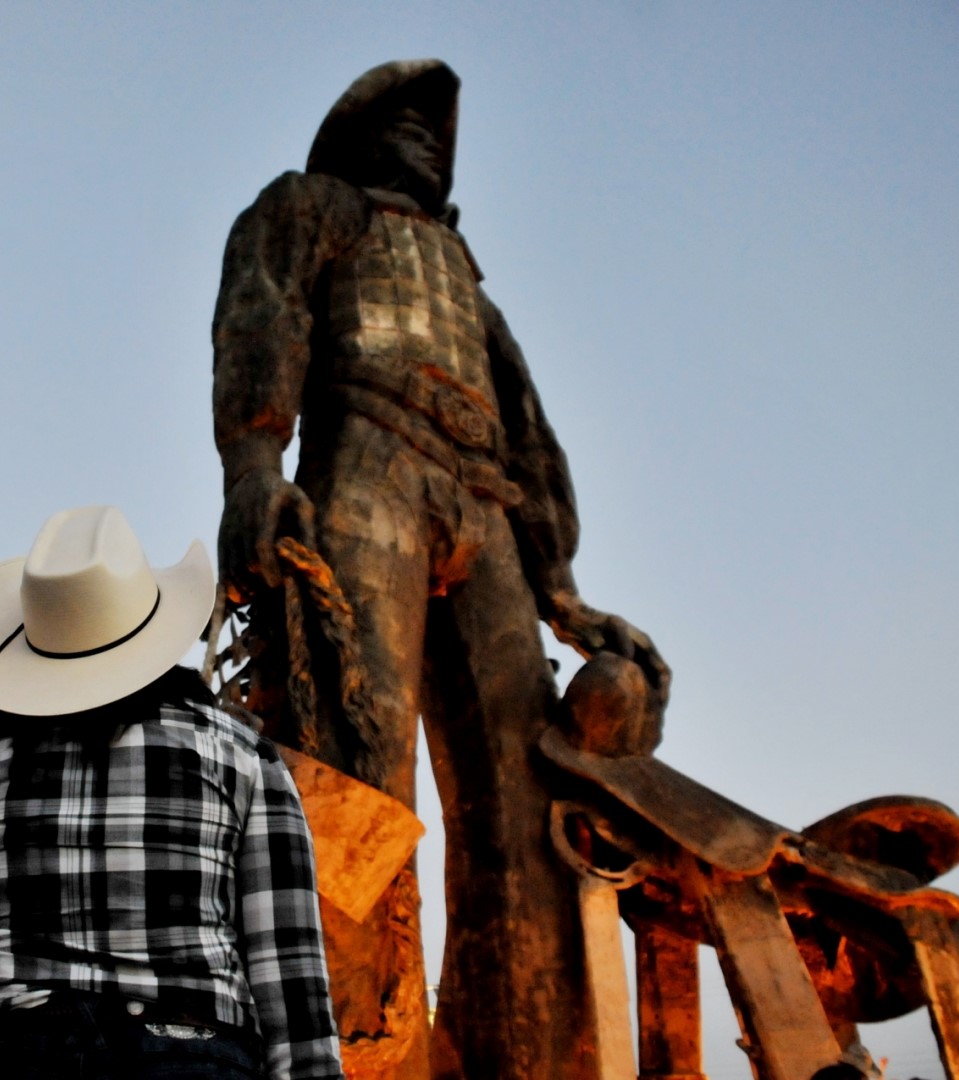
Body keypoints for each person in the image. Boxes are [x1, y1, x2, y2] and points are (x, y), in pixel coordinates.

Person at [212, 60, 669, 1078]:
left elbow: (530, 432)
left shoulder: (464, 279)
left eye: (440, 129)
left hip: (486, 502)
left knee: (523, 795)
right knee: (349, 759)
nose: (428, 137)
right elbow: (263, 309)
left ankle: (526, 1049)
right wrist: (254, 460)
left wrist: (562, 590)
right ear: (357, 136)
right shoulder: (315, 207)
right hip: (366, 458)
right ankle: (361, 1053)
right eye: (405, 119)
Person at [0, 505, 344, 1080]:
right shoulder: (245, 760)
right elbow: (294, 1000)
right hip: (196, 1057)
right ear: (153, 630)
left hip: (15, 1052)